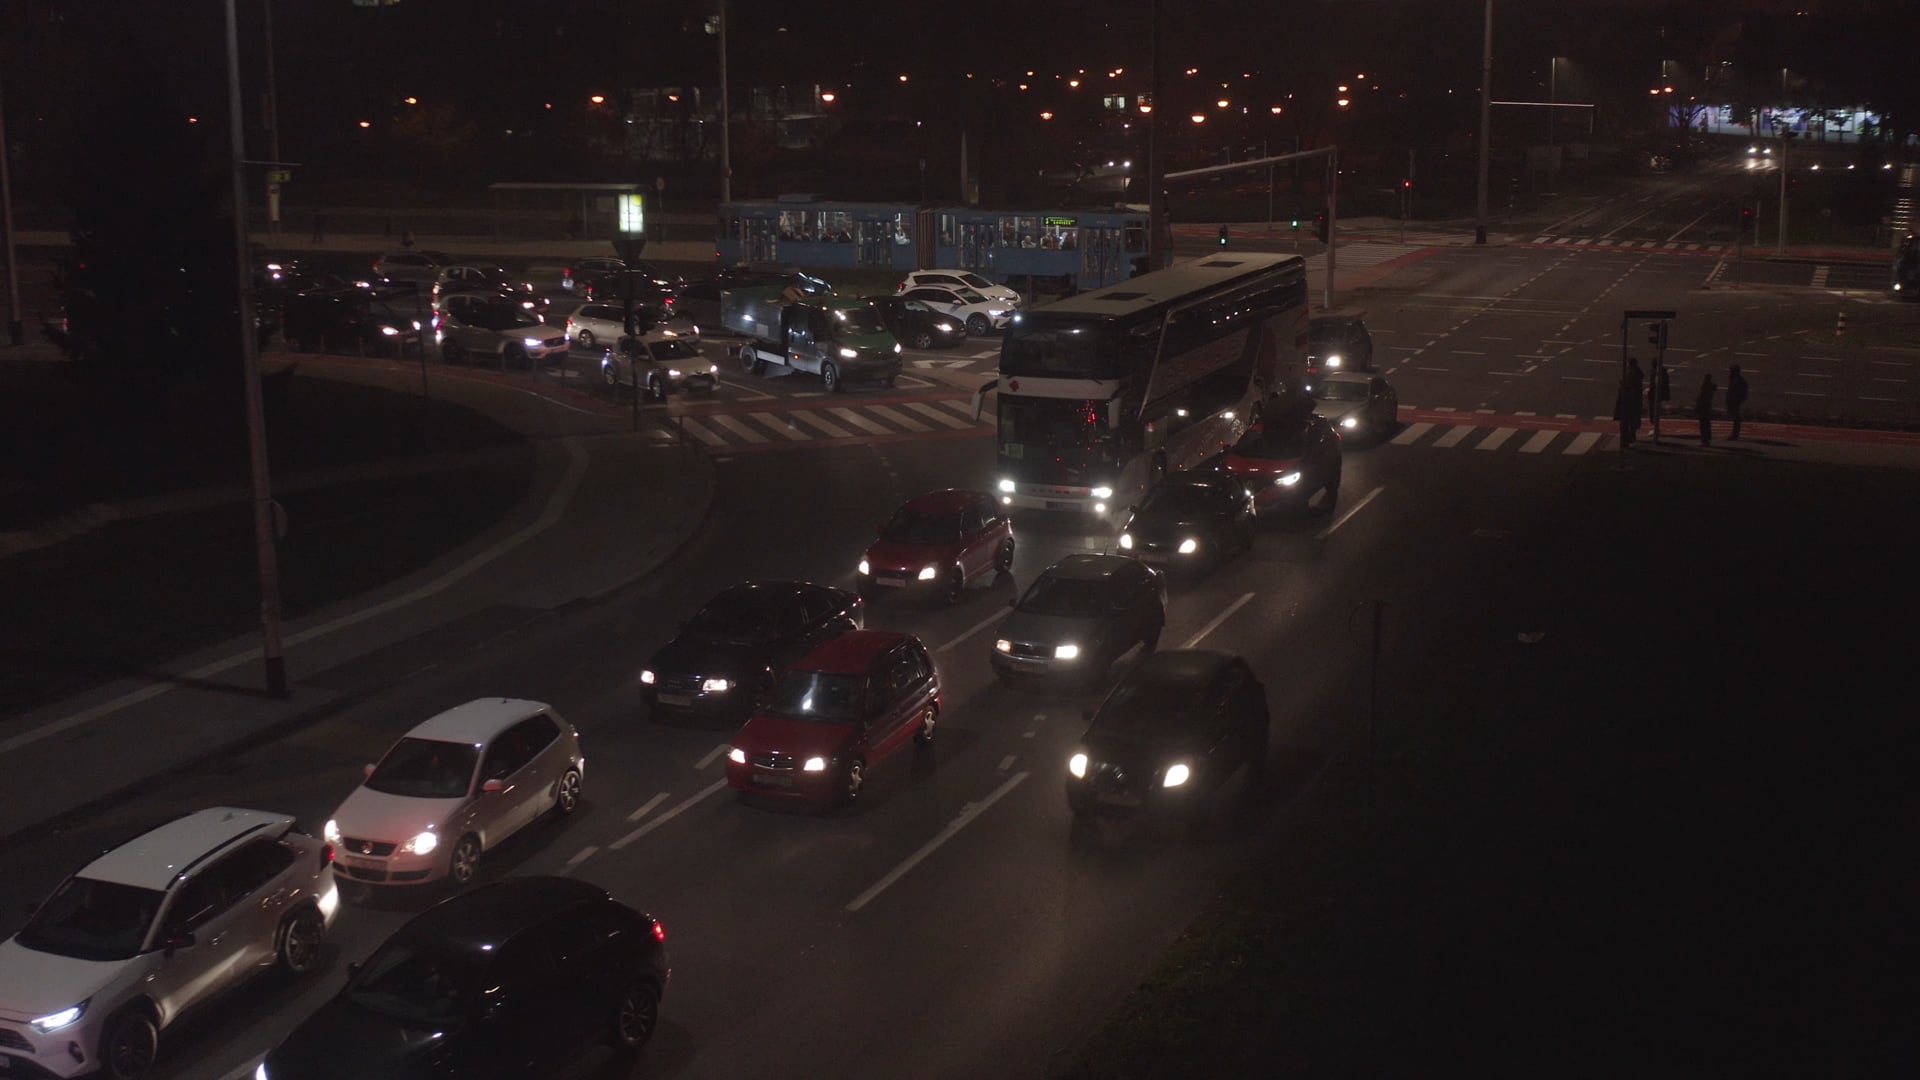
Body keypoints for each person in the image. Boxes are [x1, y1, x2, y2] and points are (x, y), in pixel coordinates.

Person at [1617, 357, 1644, 449]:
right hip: (1635, 401)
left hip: (1629, 401)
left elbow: (1625, 385)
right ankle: (1631, 436)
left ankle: (1626, 440)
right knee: (1633, 420)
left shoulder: (1630, 375)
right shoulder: (1637, 374)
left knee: (1626, 421)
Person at [1726, 363, 1749, 440]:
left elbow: (1741, 392)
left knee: (1736, 417)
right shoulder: (1735, 379)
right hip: (1733, 400)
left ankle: (1735, 434)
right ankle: (1735, 433)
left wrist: (1737, 400)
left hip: (1735, 401)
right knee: (1735, 417)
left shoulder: (1738, 381)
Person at [1695, 372, 1717, 446]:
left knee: (1703, 424)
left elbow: (1702, 396)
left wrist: (1698, 403)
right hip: (1707, 406)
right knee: (1706, 423)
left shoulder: (1705, 386)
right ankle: (1707, 439)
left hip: (1703, 406)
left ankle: (1705, 440)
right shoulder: (1710, 387)